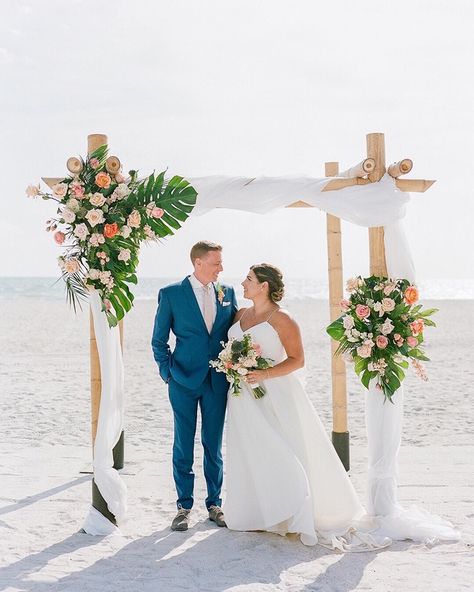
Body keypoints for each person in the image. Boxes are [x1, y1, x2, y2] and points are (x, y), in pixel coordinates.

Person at [223, 263, 391, 551]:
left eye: (248, 279)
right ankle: (261, 512)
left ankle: (294, 511)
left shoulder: (282, 319)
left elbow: (297, 360)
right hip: (243, 399)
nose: (243, 283)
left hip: (275, 394)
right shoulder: (240, 314)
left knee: (285, 451)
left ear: (264, 286)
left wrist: (263, 373)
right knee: (252, 451)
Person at [152, 241, 238, 532]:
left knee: (213, 445)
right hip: (183, 381)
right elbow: (158, 341)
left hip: (217, 381)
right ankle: (183, 506)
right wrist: (168, 374)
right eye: (216, 263)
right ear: (198, 263)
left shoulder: (227, 293)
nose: (221, 268)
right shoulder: (171, 294)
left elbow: (234, 333)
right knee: (183, 444)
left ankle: (215, 504)